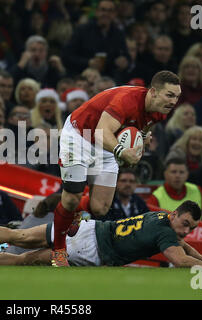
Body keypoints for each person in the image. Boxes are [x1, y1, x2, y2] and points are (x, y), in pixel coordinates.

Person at [51, 70, 181, 266]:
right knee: (71, 198)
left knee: (100, 208)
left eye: (177, 97)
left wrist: (142, 140)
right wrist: (122, 151)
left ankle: (76, 212)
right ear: (153, 92)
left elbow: (143, 126)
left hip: (106, 143)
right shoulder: (126, 100)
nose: (173, 101)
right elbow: (102, 131)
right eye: (169, 95)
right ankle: (59, 250)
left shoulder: (160, 110)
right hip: (80, 135)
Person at [0, 200, 202, 269]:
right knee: (29, 259)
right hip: (93, 250)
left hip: (87, 228)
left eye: (191, 228)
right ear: (176, 215)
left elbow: (182, 244)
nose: (186, 231)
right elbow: (178, 257)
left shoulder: (163, 216)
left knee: (17, 235)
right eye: (186, 223)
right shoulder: (167, 231)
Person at [147, 158, 202, 222]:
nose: (177, 176)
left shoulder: (197, 190)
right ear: (165, 174)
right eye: (173, 172)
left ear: (187, 174)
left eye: (181, 172)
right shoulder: (156, 197)